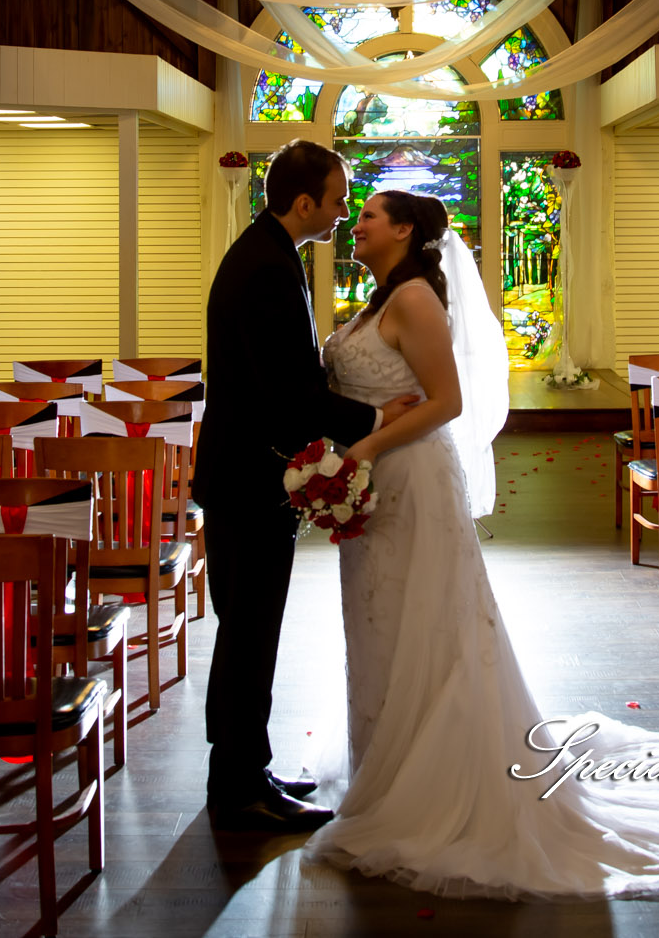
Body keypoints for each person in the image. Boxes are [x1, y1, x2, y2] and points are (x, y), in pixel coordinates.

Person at [307, 189, 659, 898]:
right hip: (377, 480)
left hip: (410, 479)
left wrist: (359, 451)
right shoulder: (377, 301)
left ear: (403, 229)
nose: (353, 224)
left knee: (422, 619)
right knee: (377, 620)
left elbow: (445, 404)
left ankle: (432, 781)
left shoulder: (416, 299)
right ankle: (381, 767)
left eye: (366, 216)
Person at [195, 138, 418, 833]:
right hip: (248, 480)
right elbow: (287, 394)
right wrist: (378, 416)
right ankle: (237, 791)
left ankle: (243, 766)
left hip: (243, 475)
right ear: (303, 203)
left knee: (248, 632)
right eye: (338, 199)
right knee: (249, 634)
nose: (344, 211)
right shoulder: (264, 267)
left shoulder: (266, 253)